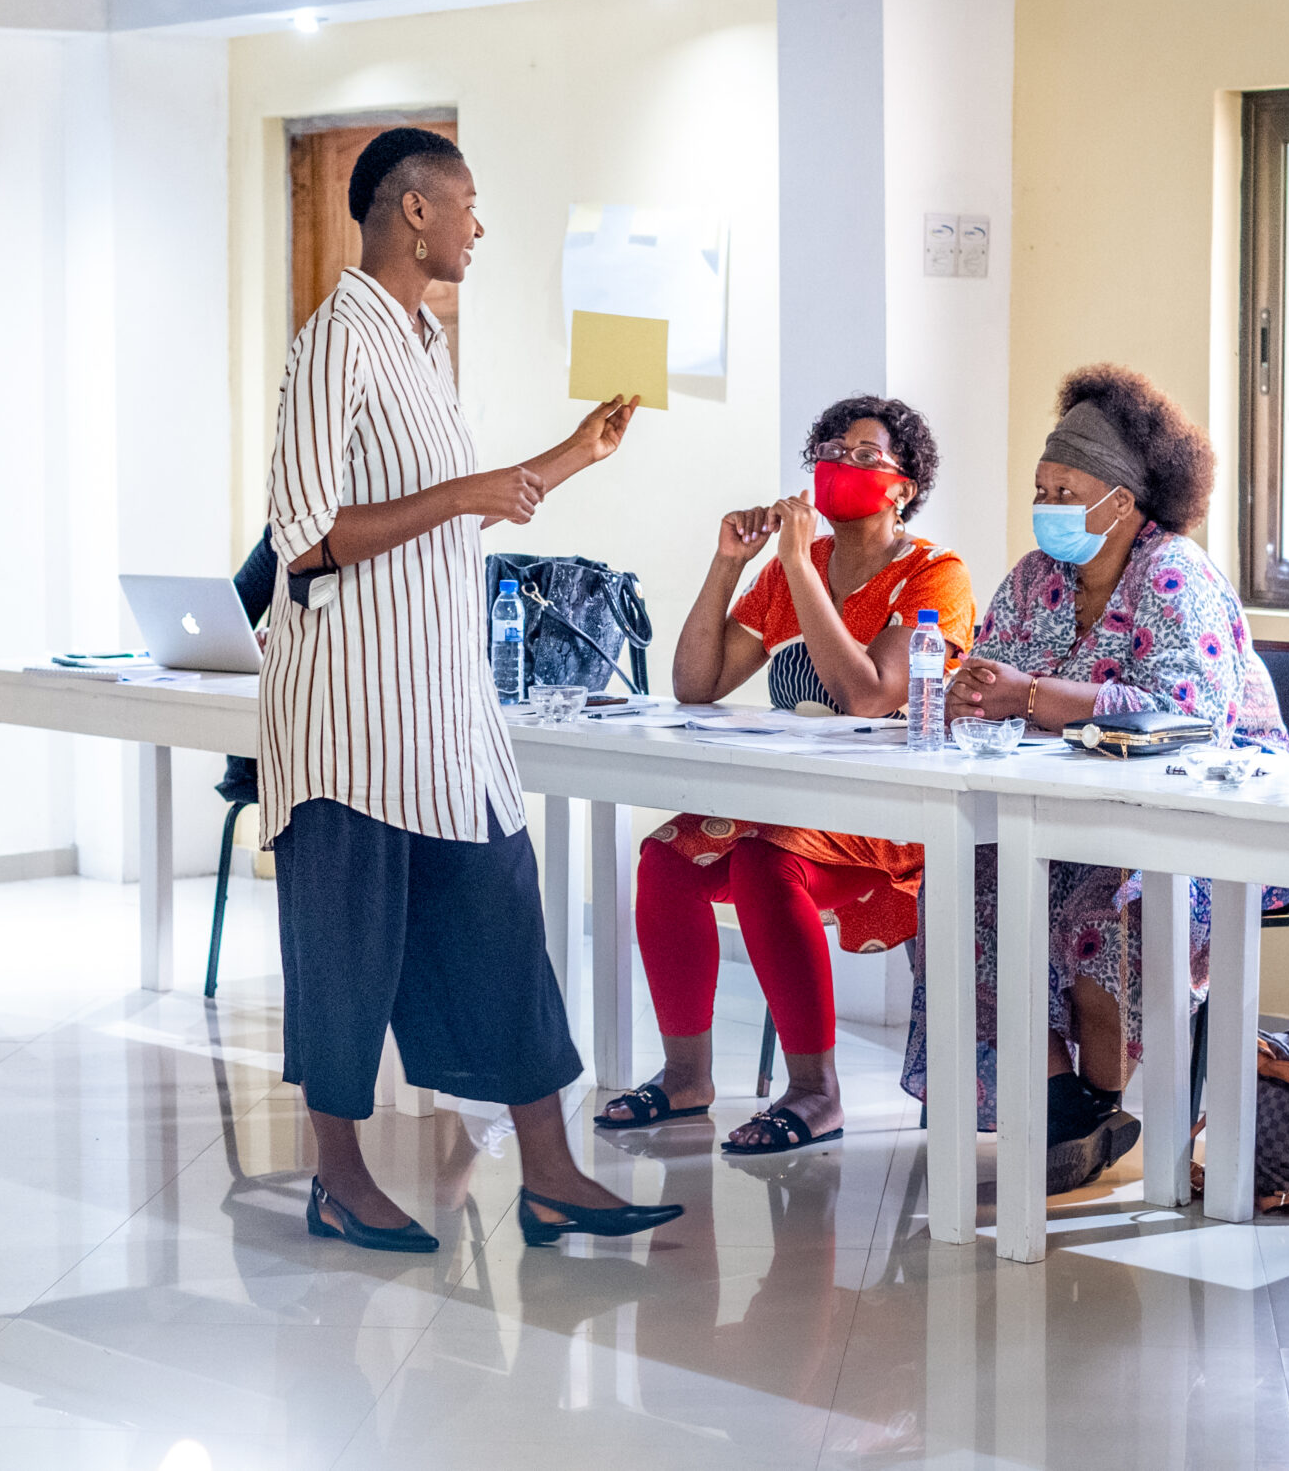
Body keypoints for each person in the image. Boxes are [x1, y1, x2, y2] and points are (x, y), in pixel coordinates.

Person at [261, 125, 679, 1252]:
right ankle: (338, 1179)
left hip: (444, 717)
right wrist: (459, 496)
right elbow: (304, 537)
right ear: (412, 211)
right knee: (344, 953)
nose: (478, 226)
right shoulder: (334, 342)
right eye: (468, 204)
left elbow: (475, 498)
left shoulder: (421, 342)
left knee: (501, 929)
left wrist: (575, 454)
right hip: (353, 717)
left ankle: (551, 1176)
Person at [910, 364, 1288, 1192]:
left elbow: (1182, 718)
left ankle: (1101, 1100)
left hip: (1201, 826)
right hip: (1061, 813)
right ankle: (1061, 1106)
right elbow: (993, 672)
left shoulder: (1173, 574)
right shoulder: (1032, 579)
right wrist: (974, 691)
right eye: (1040, 485)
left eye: (1065, 487)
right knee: (964, 880)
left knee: (1098, 902)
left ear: (1122, 497)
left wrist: (1033, 697)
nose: (1045, 503)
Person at [596, 397, 974, 1154]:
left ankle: (815, 1091)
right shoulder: (795, 570)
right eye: (833, 447)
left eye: (866, 454)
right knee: (666, 859)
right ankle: (686, 1076)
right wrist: (729, 563)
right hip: (789, 799)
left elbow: (869, 692)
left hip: (891, 810)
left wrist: (799, 565)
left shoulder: (935, 575)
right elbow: (696, 683)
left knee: (767, 863)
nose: (843, 463)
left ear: (902, 486)